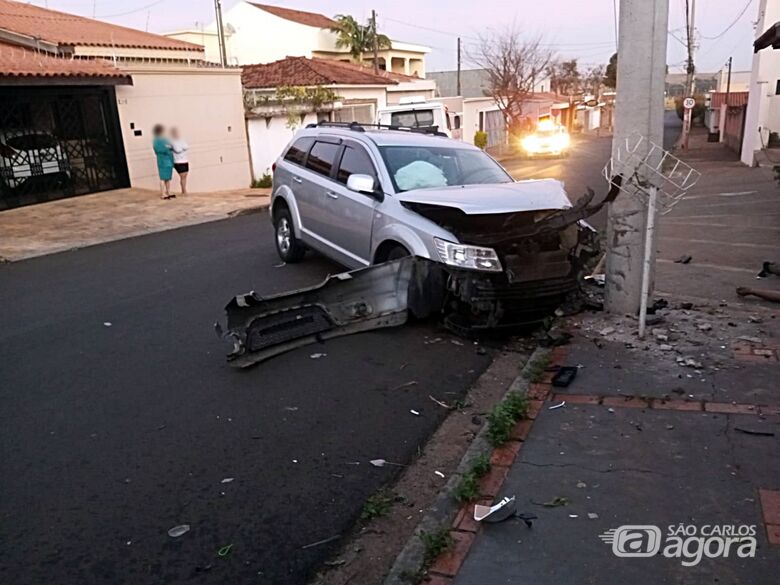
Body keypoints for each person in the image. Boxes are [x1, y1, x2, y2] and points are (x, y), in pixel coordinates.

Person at [152, 124, 174, 199]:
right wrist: (168, 149)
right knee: (163, 178)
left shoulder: (160, 140)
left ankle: (168, 192)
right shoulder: (158, 140)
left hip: (165, 160)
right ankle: (163, 193)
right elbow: (164, 149)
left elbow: (170, 146)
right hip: (164, 160)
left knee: (167, 177)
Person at [170, 127, 189, 195]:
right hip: (178, 161)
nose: (176, 134)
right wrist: (181, 147)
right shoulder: (172, 141)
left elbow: (186, 147)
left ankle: (183, 190)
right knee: (182, 175)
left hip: (185, 160)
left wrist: (181, 147)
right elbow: (178, 150)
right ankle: (184, 190)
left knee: (185, 176)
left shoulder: (181, 140)